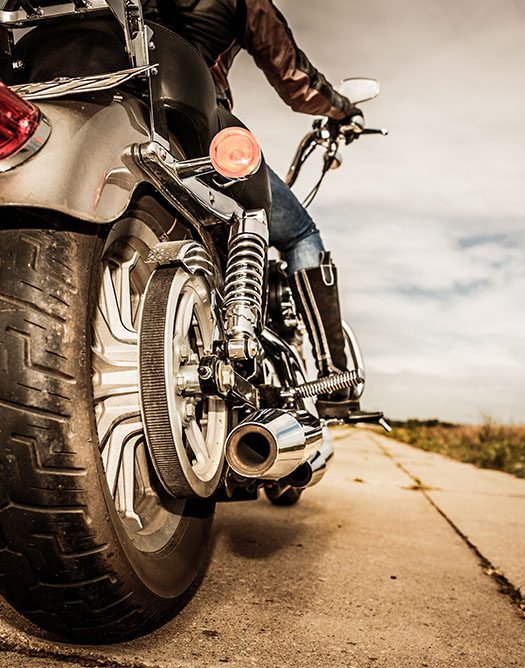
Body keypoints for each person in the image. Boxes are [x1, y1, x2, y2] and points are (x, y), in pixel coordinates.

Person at [143, 0, 362, 417]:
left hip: (106, 113)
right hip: (195, 127)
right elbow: (295, 78)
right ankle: (338, 378)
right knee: (300, 234)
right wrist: (342, 109)